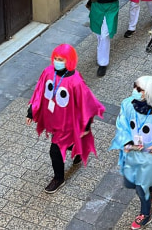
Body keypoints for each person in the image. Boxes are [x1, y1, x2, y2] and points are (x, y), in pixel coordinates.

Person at [27, 44, 105, 193]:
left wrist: (86, 126)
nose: (57, 61)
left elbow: (86, 103)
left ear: (69, 60)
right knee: (66, 144)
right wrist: (31, 111)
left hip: (68, 123)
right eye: (55, 58)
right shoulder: (48, 72)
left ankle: (58, 178)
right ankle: (78, 148)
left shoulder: (76, 81)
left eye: (61, 59)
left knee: (55, 150)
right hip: (53, 118)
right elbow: (39, 91)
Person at [110, 75, 152, 229]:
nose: (134, 91)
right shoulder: (127, 104)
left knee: (141, 186)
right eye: (135, 86)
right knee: (131, 182)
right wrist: (126, 141)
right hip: (133, 153)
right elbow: (122, 124)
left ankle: (145, 214)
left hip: (150, 156)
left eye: (139, 89)